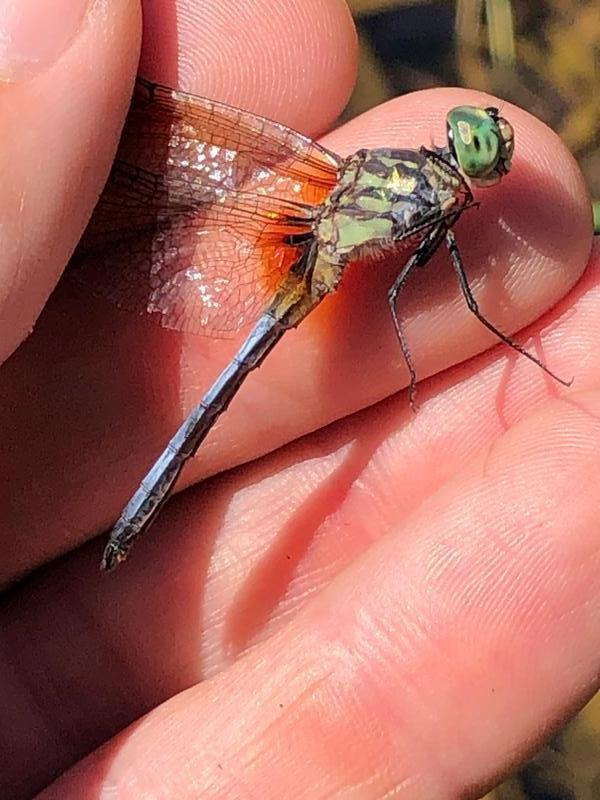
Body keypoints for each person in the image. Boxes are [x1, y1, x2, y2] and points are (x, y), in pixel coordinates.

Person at [0, 1, 597, 798]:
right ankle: (134, 525)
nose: (477, 143)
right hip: (307, 244)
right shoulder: (443, 202)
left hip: (311, 222)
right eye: (479, 144)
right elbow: (415, 299)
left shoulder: (402, 178)